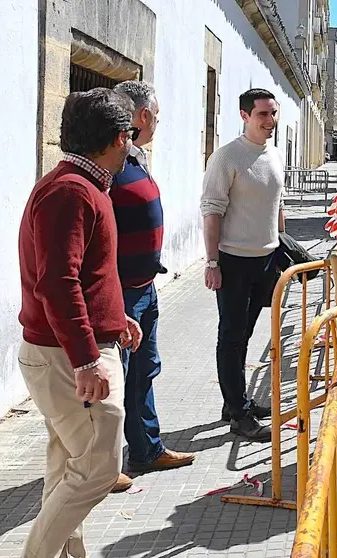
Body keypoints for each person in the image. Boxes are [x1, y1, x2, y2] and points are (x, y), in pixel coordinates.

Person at [17, 87, 143, 557]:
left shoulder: (81, 186)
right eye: (129, 136)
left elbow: (85, 274)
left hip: (65, 352)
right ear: (117, 138)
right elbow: (57, 283)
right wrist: (87, 358)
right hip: (64, 356)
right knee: (98, 468)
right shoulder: (71, 191)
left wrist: (114, 319)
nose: (131, 145)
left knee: (67, 461)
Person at [109, 80, 195, 489]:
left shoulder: (135, 158)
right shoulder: (109, 164)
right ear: (143, 115)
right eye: (156, 115)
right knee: (114, 380)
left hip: (145, 288)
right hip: (121, 294)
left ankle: (147, 449)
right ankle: (104, 468)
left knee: (145, 371)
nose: (158, 121)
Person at [200, 88, 286, 442]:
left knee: (246, 334)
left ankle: (233, 400)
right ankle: (238, 414)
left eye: (273, 113)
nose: (270, 121)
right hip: (233, 262)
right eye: (263, 114)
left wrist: (282, 242)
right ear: (244, 116)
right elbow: (211, 211)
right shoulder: (227, 158)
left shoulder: (275, 155)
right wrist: (212, 261)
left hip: (265, 260)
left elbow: (277, 205)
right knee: (231, 338)